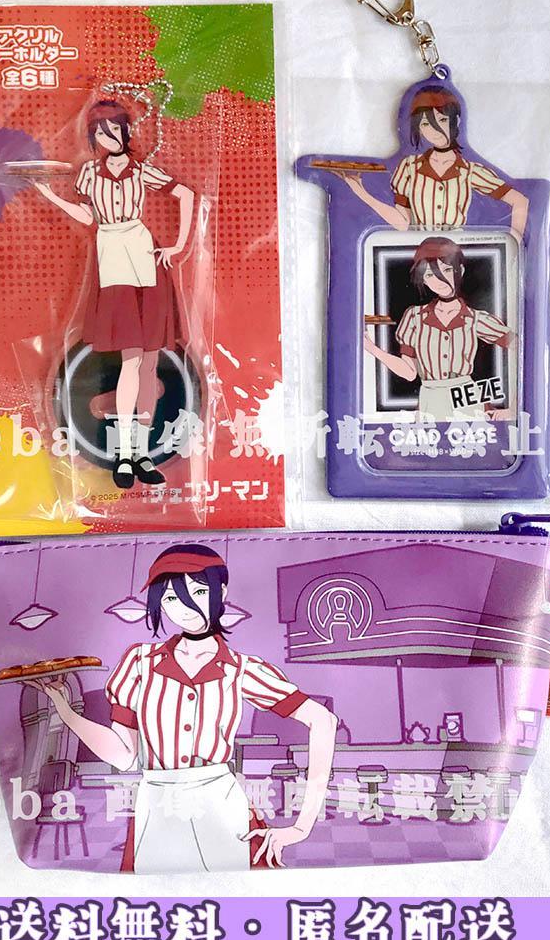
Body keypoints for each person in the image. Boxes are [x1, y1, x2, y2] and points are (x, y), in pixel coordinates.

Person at [30, 544, 338, 873]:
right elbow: (124, 756)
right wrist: (66, 712)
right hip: (158, 803)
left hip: (220, 802)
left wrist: (301, 826)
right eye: (171, 598)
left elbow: (323, 720)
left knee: (238, 896)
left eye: (200, 591)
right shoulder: (139, 663)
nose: (185, 608)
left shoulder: (241, 669)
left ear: (222, 592)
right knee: (153, 898)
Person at [33, 100, 195, 490]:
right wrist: (50, 195)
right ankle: (124, 454)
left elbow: (187, 194)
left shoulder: (141, 170)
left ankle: (141, 454)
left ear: (125, 130)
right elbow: (88, 216)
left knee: (150, 362)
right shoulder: (89, 173)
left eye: (116, 129)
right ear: (94, 138)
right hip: (113, 257)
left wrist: (177, 245)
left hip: (144, 254)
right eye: (102, 133)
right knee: (131, 359)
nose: (111, 137)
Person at [337, 87, 529, 238]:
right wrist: (361, 192)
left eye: (442, 120)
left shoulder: (469, 171)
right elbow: (403, 224)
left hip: (458, 254)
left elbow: (520, 200)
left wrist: (514, 242)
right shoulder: (409, 168)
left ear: (456, 121)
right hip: (419, 251)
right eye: (425, 124)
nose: (434, 130)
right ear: (418, 128)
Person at [364, 237, 513, 421]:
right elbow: (409, 373)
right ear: (423, 279)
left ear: (461, 270)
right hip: (431, 399)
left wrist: (514, 408)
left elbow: (522, 347)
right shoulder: (414, 317)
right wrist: (371, 348)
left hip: (467, 399)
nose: (438, 280)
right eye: (429, 275)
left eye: (447, 270)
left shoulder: (475, 318)